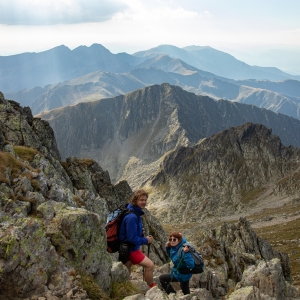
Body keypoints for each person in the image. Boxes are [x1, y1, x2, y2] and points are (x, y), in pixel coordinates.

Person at [118, 189, 156, 288]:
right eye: (141, 200)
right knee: (150, 265)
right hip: (130, 249)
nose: (144, 202)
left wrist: (139, 233)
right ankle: (150, 287)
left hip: (125, 248)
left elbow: (129, 232)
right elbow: (131, 238)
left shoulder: (132, 211)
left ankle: (125, 284)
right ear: (135, 200)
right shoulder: (132, 217)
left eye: (145, 200)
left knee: (128, 265)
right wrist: (146, 240)